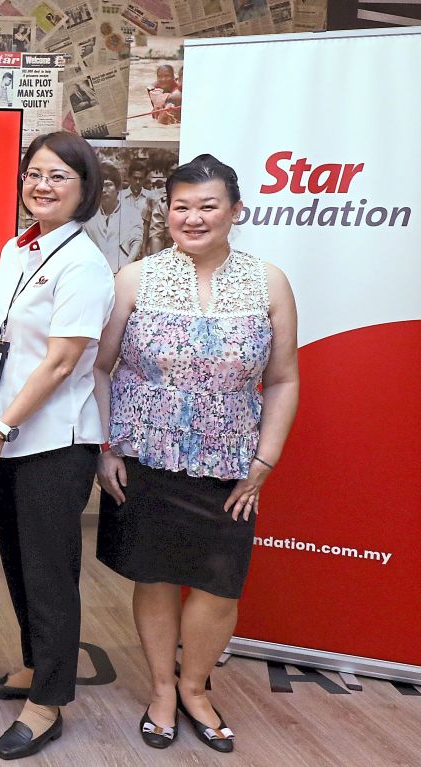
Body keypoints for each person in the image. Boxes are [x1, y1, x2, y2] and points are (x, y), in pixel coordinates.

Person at [94, 155, 299, 753]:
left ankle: (195, 688)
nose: (193, 217)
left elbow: (284, 378)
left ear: (236, 211)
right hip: (145, 459)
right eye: (181, 206)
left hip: (231, 465)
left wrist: (264, 462)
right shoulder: (134, 279)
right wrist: (106, 450)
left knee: (218, 585)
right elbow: (100, 370)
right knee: (154, 576)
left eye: (208, 206)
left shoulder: (269, 282)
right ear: (167, 211)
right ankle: (161, 689)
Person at [0, 131, 114, 760]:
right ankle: (33, 664)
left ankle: (47, 701)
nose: (41, 186)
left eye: (58, 177)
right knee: (19, 560)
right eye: (34, 174)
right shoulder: (19, 247)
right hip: (10, 432)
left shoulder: (84, 264)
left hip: (52, 442)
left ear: (84, 191)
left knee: (51, 573)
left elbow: (58, 366)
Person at [83, 163, 144, 273]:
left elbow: (136, 241)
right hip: (94, 272)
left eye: (108, 185)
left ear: (118, 188)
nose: (103, 190)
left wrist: (126, 266)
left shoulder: (132, 213)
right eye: (100, 185)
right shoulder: (89, 215)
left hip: (122, 272)